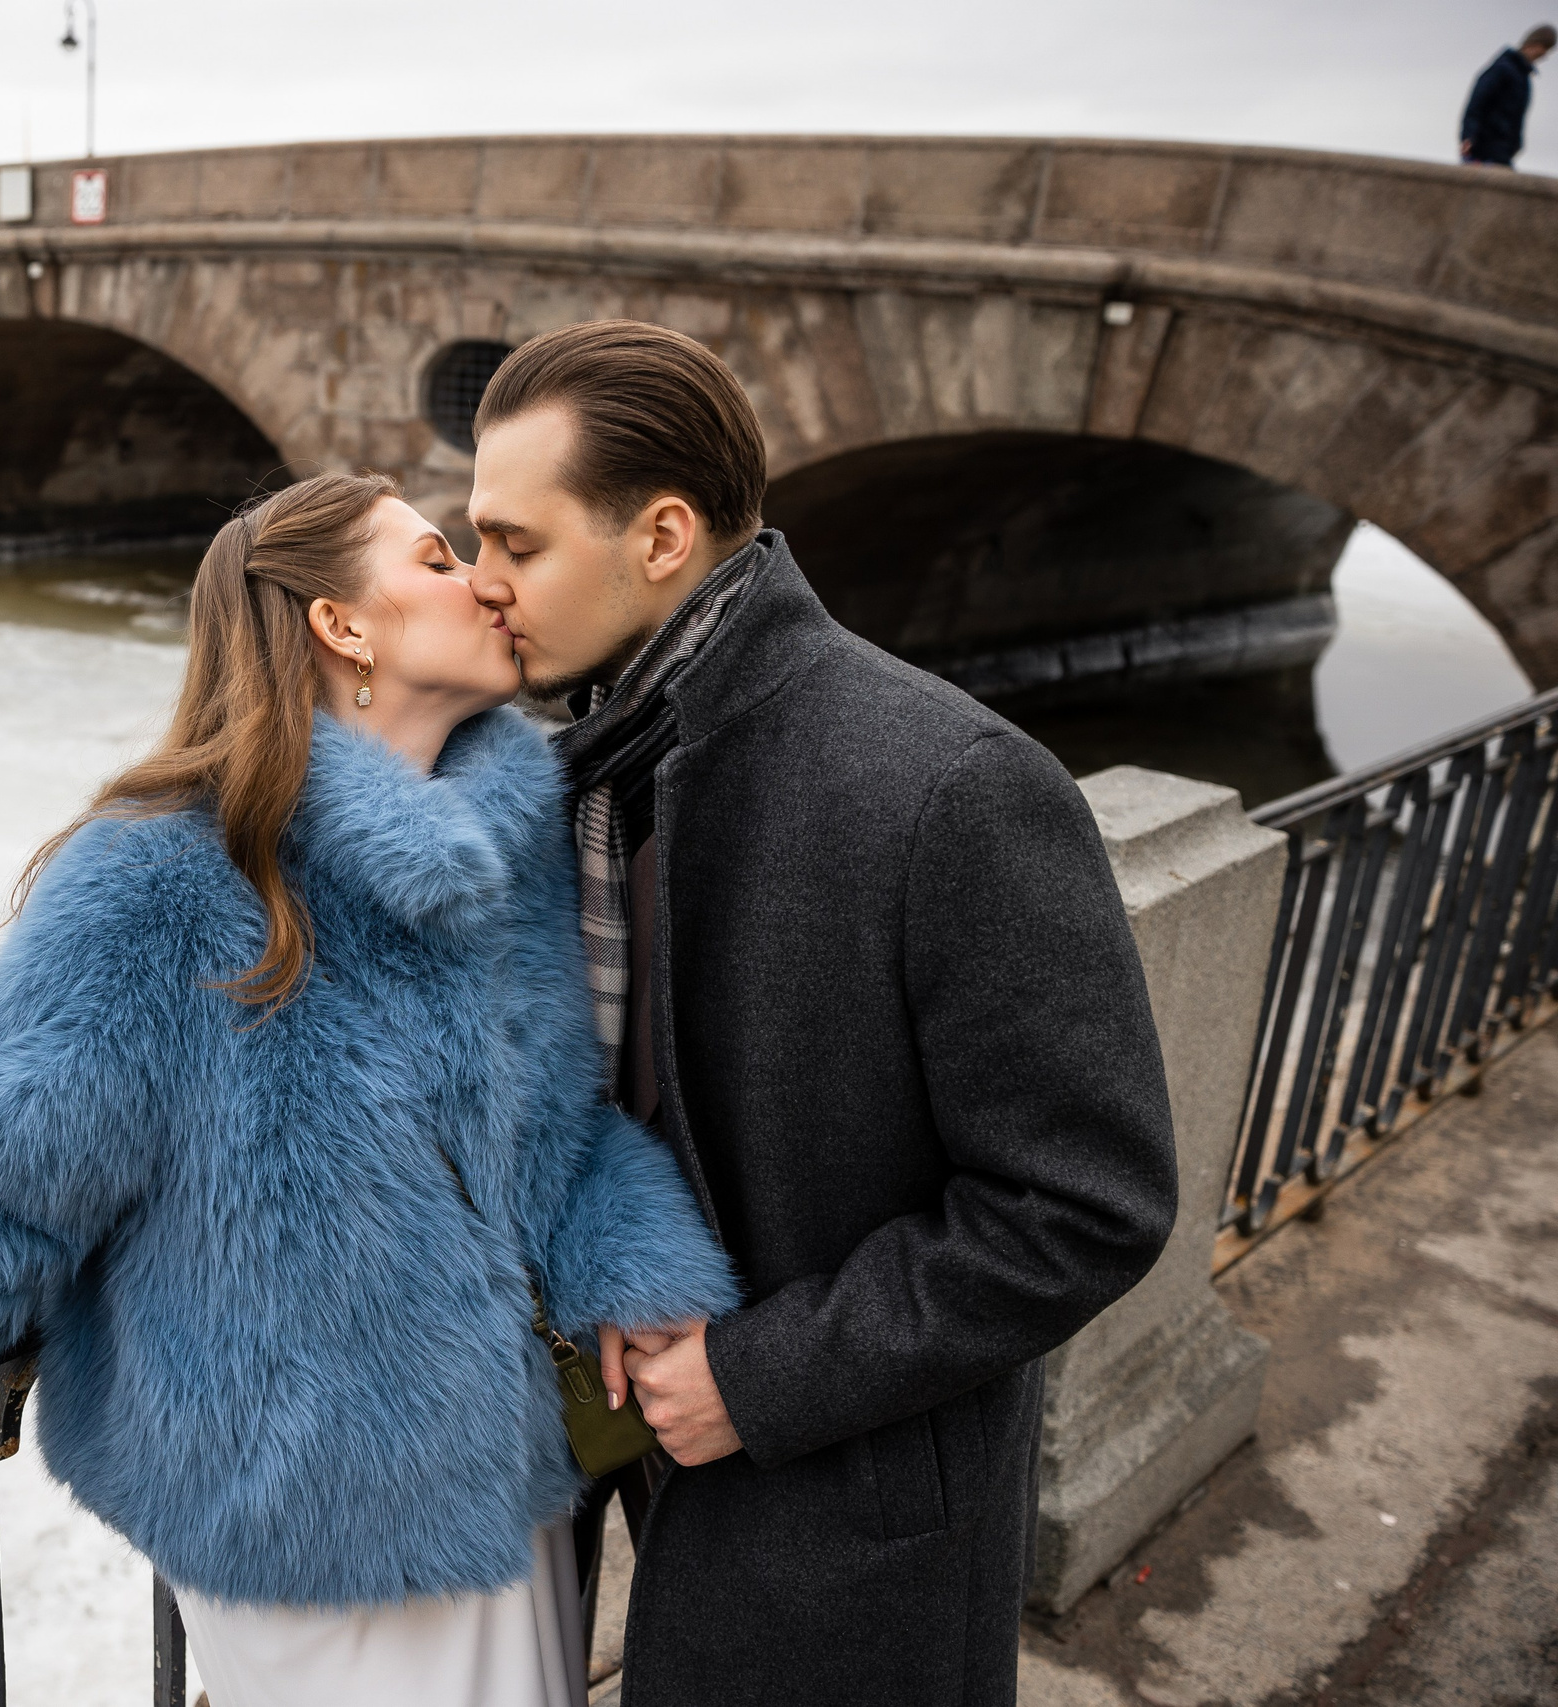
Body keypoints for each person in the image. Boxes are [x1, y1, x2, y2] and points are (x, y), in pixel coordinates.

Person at [0, 470, 740, 1707]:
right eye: (436, 558)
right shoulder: (162, 874)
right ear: (340, 624)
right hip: (307, 1517)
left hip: (508, 1477)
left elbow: (553, 1141)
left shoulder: (504, 848)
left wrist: (635, 1269)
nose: (484, 579)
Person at [463, 320, 1180, 1707]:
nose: (484, 584)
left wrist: (760, 1373)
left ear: (662, 534)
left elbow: (1089, 1200)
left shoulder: (954, 786)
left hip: (836, 1519)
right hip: (588, 1458)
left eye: (516, 543)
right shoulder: (586, 757)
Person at [1461, 25, 1554, 167]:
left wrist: (1516, 144)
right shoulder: (1503, 69)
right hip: (1484, 146)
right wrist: (1468, 136)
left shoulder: (1523, 77)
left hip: (1503, 150)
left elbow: (1517, 117)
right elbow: (1477, 102)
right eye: (1543, 48)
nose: (1544, 55)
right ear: (1531, 44)